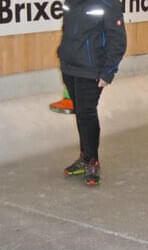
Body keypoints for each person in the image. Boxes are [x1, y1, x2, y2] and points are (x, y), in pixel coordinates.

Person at [58, 0, 127, 185]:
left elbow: (118, 41)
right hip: (69, 68)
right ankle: (84, 156)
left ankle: (92, 160)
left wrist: (108, 72)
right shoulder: (70, 1)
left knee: (87, 113)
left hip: (91, 70)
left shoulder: (108, 4)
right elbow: (68, 30)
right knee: (81, 113)